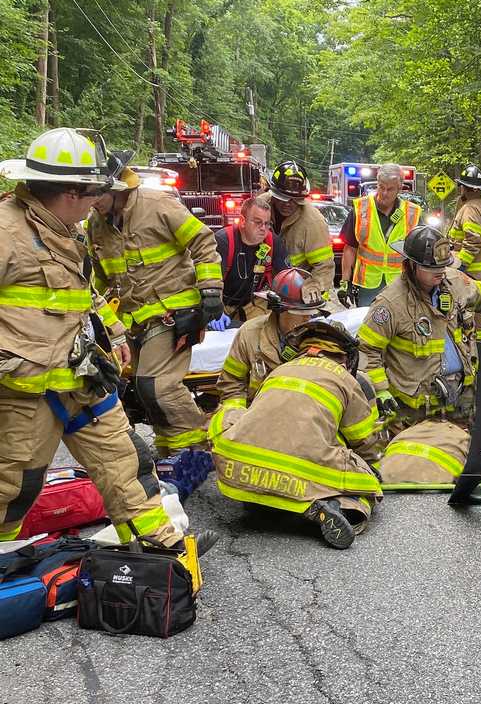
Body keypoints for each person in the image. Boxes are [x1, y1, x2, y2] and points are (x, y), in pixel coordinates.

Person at [0, 128, 200, 549]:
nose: (97, 201)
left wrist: (113, 331)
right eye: (92, 191)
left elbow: (82, 292)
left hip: (82, 379)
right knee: (14, 491)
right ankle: (7, 567)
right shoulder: (7, 233)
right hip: (26, 394)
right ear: (70, 191)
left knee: (127, 466)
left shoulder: (65, 229)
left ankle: (161, 549)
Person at [357, 225, 481, 488]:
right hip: (415, 409)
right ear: (411, 266)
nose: (440, 273)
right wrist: (381, 390)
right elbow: (367, 350)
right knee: (418, 468)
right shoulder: (390, 304)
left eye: (443, 267)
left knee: (460, 456)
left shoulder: (455, 282)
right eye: (433, 269)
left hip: (460, 396)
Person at [87, 151, 223, 455]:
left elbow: (202, 240)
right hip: (131, 319)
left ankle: (198, 445)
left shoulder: (157, 205)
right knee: (132, 390)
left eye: (96, 194)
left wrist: (211, 288)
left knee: (156, 385)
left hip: (174, 312)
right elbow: (101, 277)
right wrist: (96, 317)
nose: (91, 201)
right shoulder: (96, 223)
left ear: (116, 188)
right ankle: (172, 451)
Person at [210, 318, 382, 549]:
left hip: (236, 466)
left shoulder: (278, 371)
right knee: (365, 484)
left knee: (236, 416)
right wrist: (369, 467)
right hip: (297, 469)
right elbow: (363, 439)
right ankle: (335, 506)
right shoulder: (346, 379)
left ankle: (267, 504)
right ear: (344, 355)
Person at [212, 267, 326, 418]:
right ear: (281, 310)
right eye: (301, 313)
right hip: (259, 414)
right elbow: (231, 382)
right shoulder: (250, 334)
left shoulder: (324, 339)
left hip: (305, 416)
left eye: (312, 313)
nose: (308, 319)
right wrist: (238, 415)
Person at [337, 163, 423, 308]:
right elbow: (350, 248)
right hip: (367, 285)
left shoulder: (412, 213)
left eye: (390, 189)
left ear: (399, 189)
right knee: (367, 327)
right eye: (381, 187)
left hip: (400, 284)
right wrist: (344, 282)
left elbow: (418, 254)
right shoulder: (360, 208)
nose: (384, 193)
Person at [212, 194, 289, 328]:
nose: (263, 228)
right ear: (242, 221)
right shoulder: (223, 241)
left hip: (253, 303)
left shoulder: (273, 242)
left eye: (267, 224)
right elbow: (212, 282)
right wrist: (214, 311)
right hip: (222, 302)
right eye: (258, 222)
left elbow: (287, 277)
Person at [266, 161, 334, 304]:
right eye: (283, 198)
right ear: (273, 193)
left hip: (297, 291)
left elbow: (324, 266)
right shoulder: (261, 207)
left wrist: (314, 286)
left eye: (295, 199)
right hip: (264, 286)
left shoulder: (313, 223)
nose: (288, 203)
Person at [448, 164, 481, 341]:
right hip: (480, 274)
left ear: (464, 187)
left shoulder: (470, 209)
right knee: (479, 316)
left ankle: (477, 352)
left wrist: (461, 266)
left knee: (470, 317)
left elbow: (473, 239)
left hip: (471, 273)